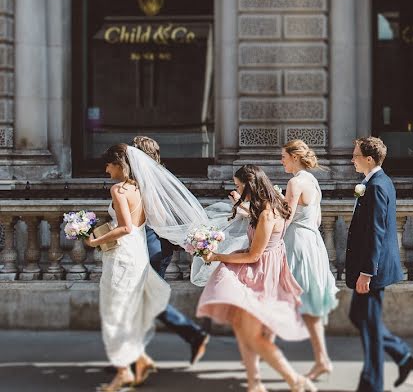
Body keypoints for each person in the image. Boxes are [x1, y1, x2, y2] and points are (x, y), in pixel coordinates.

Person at [197, 165, 316, 392]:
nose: (237, 189)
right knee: (242, 327)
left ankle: (296, 381)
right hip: (260, 268)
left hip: (261, 274)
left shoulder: (268, 213)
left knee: (254, 336)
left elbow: (254, 255)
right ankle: (254, 383)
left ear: (250, 186)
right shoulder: (264, 207)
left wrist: (217, 257)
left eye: (239, 186)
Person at [85, 144, 170, 391]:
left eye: (108, 164)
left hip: (122, 254)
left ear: (119, 165)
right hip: (138, 252)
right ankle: (141, 361)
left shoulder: (119, 190)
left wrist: (95, 240)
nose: (105, 169)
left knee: (116, 312)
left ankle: (123, 372)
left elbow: (125, 228)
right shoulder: (140, 188)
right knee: (128, 309)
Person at [346, 136, 413, 392]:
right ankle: (403, 357)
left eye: (355, 155)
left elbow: (376, 231)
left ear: (368, 159)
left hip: (372, 269)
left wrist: (367, 272)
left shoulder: (377, 185)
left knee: (369, 323)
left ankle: (373, 384)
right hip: (372, 266)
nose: (351, 159)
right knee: (360, 316)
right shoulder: (377, 181)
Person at [131, 135, 210, 365]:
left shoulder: (146, 181)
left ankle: (192, 334)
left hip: (150, 244)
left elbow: (159, 215)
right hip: (157, 245)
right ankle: (134, 359)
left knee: (144, 299)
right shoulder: (157, 176)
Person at [281, 139, 340, 381]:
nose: (281, 161)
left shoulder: (295, 183)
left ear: (294, 157)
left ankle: (321, 359)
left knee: (301, 303)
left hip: (297, 246)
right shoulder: (312, 182)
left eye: (283, 156)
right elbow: (315, 220)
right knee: (307, 304)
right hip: (313, 244)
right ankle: (320, 359)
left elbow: (284, 220)